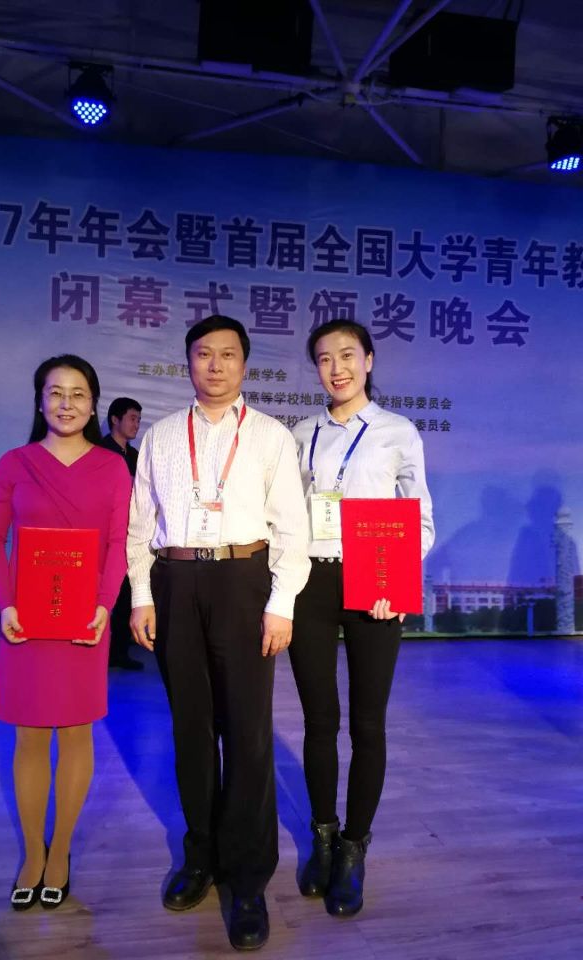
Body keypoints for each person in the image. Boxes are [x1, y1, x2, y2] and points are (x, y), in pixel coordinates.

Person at [127, 315, 310, 951]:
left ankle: (249, 879)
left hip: (243, 580)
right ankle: (200, 855)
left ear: (244, 365)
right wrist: (142, 595)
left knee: (250, 735)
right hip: (176, 580)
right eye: (203, 354)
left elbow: (292, 529)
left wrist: (281, 603)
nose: (215, 365)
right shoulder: (160, 435)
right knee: (192, 730)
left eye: (227, 355)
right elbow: (139, 523)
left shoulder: (270, 436)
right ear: (188, 362)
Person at [289, 320, 434, 918]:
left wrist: (395, 581)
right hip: (312, 583)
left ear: (369, 360)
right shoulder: (300, 434)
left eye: (347, 355)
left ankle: (354, 847)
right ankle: (323, 836)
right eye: (325, 359)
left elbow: (420, 519)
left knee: (368, 724)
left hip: (375, 583)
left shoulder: (398, 431)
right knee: (319, 720)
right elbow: (287, 515)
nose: (337, 368)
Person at [0, 354, 131, 911]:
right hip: (27, 620)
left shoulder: (112, 467)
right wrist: (6, 603)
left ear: (93, 405)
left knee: (75, 733)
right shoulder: (14, 462)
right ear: (40, 400)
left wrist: (104, 606)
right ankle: (32, 853)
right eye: (55, 392)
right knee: (28, 736)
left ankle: (60, 850)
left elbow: (118, 543)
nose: (66, 403)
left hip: (83, 619)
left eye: (78, 394)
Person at [102, 397, 143, 670]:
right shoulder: (100, 451)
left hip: (129, 532)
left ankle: (119, 652)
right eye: (132, 418)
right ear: (115, 420)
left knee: (126, 593)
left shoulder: (136, 456)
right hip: (104, 532)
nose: (136, 424)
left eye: (138, 419)